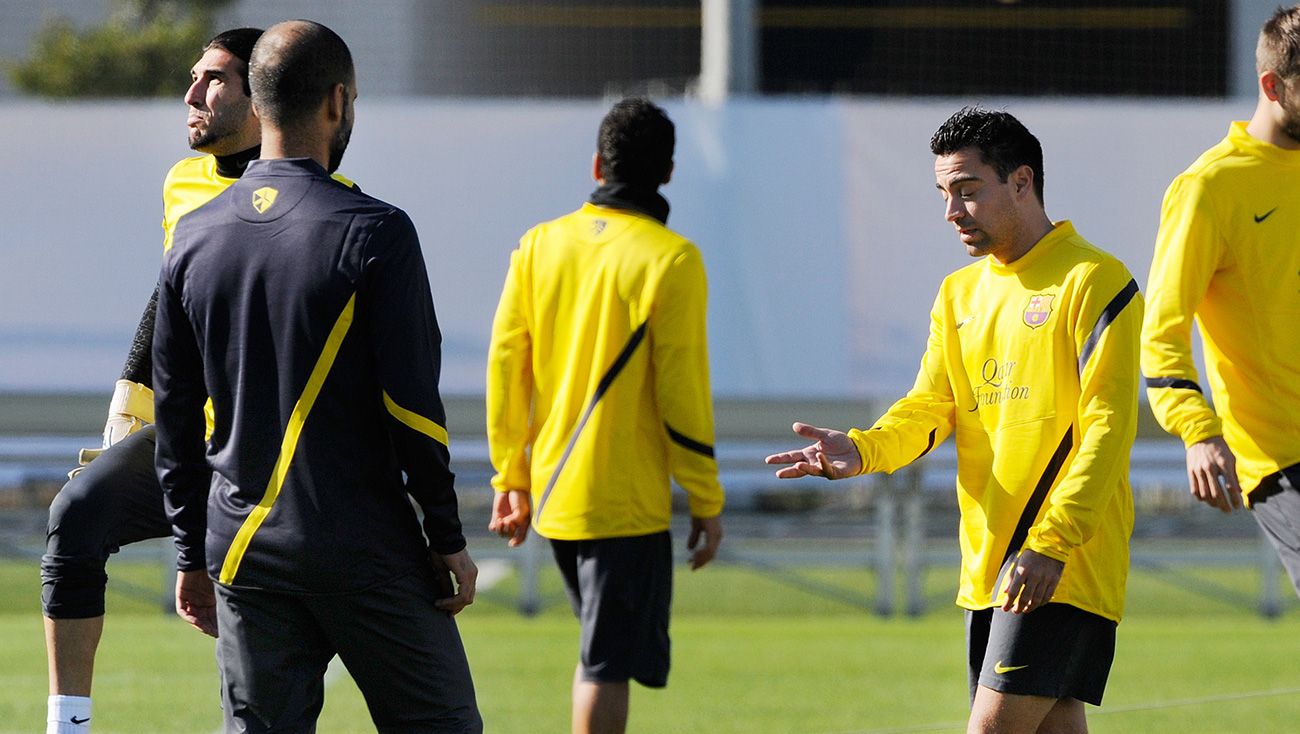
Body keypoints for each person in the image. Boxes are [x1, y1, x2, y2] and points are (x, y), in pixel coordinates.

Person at [766, 107, 1141, 733]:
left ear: (1021, 182)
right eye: (945, 194)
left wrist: (1051, 543)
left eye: (968, 191)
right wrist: (862, 450)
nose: (952, 212)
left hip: (1061, 564)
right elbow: (930, 407)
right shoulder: (958, 293)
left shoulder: (1096, 281)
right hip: (989, 569)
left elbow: (1107, 426)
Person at [152, 20, 481, 733]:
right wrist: (447, 534)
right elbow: (413, 409)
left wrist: (189, 552)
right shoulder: (375, 231)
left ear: (261, 104)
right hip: (363, 546)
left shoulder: (195, 237)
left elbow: (175, 416)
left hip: (242, 548)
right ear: (337, 103)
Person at [40, 28, 267, 734]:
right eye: (193, 78)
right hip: (186, 435)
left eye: (215, 81)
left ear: (264, 100)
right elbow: (170, 296)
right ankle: (68, 723)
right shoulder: (182, 180)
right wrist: (128, 392)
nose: (193, 95)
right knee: (74, 518)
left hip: (269, 454)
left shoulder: (315, 195)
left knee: (253, 605)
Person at [485, 97, 725, 734]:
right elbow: (683, 393)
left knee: (598, 653)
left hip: (555, 496)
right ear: (668, 173)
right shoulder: (672, 259)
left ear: (597, 163)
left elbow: (506, 367)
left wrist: (510, 478)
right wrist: (705, 497)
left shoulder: (538, 245)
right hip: (624, 501)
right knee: (605, 663)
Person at [1141, 5, 1300, 599]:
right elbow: (1162, 330)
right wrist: (1198, 431)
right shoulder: (1210, 187)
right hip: (1282, 461)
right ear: (1271, 86)